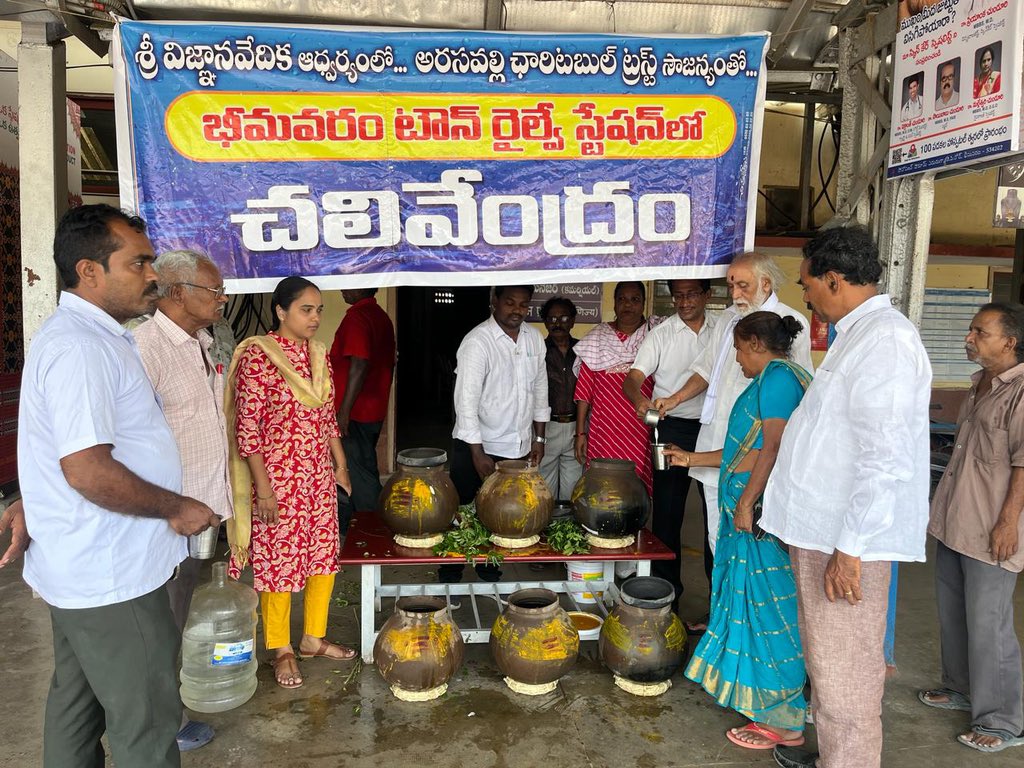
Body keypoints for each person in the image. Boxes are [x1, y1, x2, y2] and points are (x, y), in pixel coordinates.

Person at [17, 204, 218, 768]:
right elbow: (86, 469)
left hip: (83, 565)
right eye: (139, 262)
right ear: (89, 271)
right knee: (147, 724)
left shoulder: (91, 338)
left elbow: (51, 446)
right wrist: (175, 506)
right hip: (113, 575)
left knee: (76, 708)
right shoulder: (81, 348)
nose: (152, 275)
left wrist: (27, 500)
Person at [764, 226, 932, 768]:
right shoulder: (857, 333)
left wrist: (852, 549)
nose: (804, 292)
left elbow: (887, 457)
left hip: (845, 542)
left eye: (807, 282)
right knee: (830, 667)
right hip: (825, 534)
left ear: (834, 279)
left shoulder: (886, 340)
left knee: (848, 676)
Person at [666, 312, 811, 750]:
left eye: (738, 348)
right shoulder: (776, 377)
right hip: (747, 517)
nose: (735, 357)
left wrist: (746, 502)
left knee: (770, 612)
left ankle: (785, 721)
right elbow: (739, 453)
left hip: (758, 519)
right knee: (753, 605)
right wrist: (690, 458)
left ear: (754, 344)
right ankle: (766, 702)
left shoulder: (780, 377)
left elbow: (773, 447)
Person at [654, 252, 811, 628]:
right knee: (717, 540)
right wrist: (674, 399)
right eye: (731, 285)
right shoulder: (728, 319)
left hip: (753, 454)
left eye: (743, 285)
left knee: (753, 543)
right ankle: (722, 615)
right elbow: (707, 370)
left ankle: (747, 625)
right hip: (715, 447)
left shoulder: (791, 325)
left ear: (766, 285)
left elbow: (793, 393)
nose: (735, 292)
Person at [226, 276, 354, 690]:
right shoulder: (259, 358)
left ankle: (313, 638)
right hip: (278, 480)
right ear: (281, 312)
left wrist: (341, 465)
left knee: (323, 557)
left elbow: (326, 416)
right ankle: (280, 648)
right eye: (306, 309)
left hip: (316, 476)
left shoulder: (319, 354)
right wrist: (263, 489)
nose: (316, 317)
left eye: (319, 309)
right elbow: (249, 431)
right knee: (279, 565)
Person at [134, 249, 233, 752]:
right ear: (177, 293)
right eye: (213, 291)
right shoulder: (145, 348)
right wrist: (167, 506)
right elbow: (128, 440)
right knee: (162, 616)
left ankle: (165, 711)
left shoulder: (204, 341)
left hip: (202, 506)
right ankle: (160, 724)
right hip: (166, 514)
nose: (222, 298)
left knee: (183, 604)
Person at [922, 303, 1024, 753]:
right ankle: (961, 687)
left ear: (1010, 341)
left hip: (992, 527)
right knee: (953, 611)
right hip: (956, 520)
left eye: (980, 332)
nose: (969, 337)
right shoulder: (981, 383)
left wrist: (1008, 523)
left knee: (990, 623)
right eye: (970, 330)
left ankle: (1004, 721)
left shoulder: (1020, 391)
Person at [441, 285, 549, 583]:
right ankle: (450, 579)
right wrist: (477, 452)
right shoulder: (478, 342)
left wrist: (538, 439)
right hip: (477, 446)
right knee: (463, 513)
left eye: (523, 304)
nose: (516, 310)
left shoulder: (534, 339)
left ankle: (489, 574)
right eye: (510, 302)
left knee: (502, 515)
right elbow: (465, 402)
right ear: (494, 303)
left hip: (517, 446)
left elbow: (540, 390)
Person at [623, 279, 714, 609]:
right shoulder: (661, 334)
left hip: (711, 431)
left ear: (707, 295)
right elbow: (633, 378)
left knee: (714, 516)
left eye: (691, 294)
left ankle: (717, 602)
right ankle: (665, 600)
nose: (683, 301)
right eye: (677, 295)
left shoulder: (722, 328)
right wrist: (640, 400)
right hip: (669, 429)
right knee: (667, 515)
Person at [574, 281, 660, 495]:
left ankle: (635, 529)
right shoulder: (598, 338)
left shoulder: (655, 335)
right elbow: (584, 390)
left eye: (634, 299)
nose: (627, 305)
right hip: (603, 429)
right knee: (600, 485)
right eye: (621, 299)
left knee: (635, 488)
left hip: (639, 427)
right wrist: (580, 433)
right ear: (614, 303)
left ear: (643, 303)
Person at [330, 287, 396, 533]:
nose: (343, 290)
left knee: (359, 473)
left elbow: (359, 362)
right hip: (373, 406)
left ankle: (375, 529)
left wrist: (344, 411)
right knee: (362, 466)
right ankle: (352, 522)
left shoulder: (357, 317)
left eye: (350, 284)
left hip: (356, 411)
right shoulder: (379, 315)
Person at [538, 296, 582, 503]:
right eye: (552, 319)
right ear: (545, 322)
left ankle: (566, 531)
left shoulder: (583, 351)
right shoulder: (538, 350)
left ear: (573, 321)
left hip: (576, 427)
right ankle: (544, 531)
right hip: (546, 427)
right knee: (543, 488)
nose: (557, 323)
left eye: (564, 318)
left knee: (572, 489)